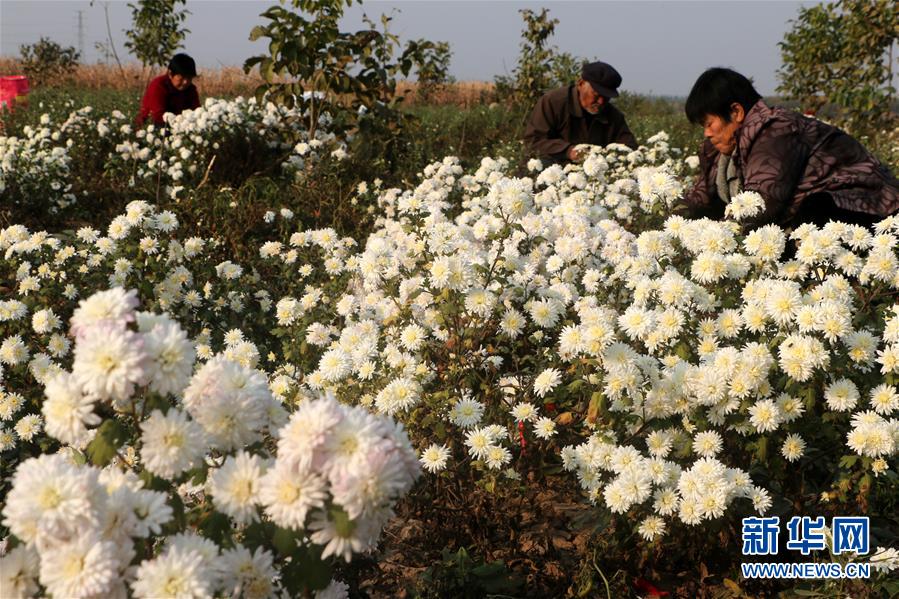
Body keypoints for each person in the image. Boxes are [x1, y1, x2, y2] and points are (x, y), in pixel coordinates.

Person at [681, 67, 899, 229]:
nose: (707, 133)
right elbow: (700, 200)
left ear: (736, 112)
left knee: (813, 214)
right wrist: (669, 221)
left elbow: (760, 204)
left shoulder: (776, 130)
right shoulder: (723, 152)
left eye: (709, 123)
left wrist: (712, 238)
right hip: (825, 212)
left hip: (872, 209)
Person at [523, 60, 637, 165]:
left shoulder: (613, 116)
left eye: (606, 97)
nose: (601, 102)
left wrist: (609, 157)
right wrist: (568, 151)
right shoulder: (553, 102)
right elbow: (533, 141)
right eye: (596, 95)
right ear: (581, 84)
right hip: (549, 173)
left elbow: (630, 148)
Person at [136, 53, 200, 127]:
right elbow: (158, 116)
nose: (185, 82)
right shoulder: (159, 86)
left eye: (189, 78)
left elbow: (197, 112)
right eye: (181, 77)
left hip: (180, 128)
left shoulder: (191, 90)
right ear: (170, 74)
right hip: (153, 128)